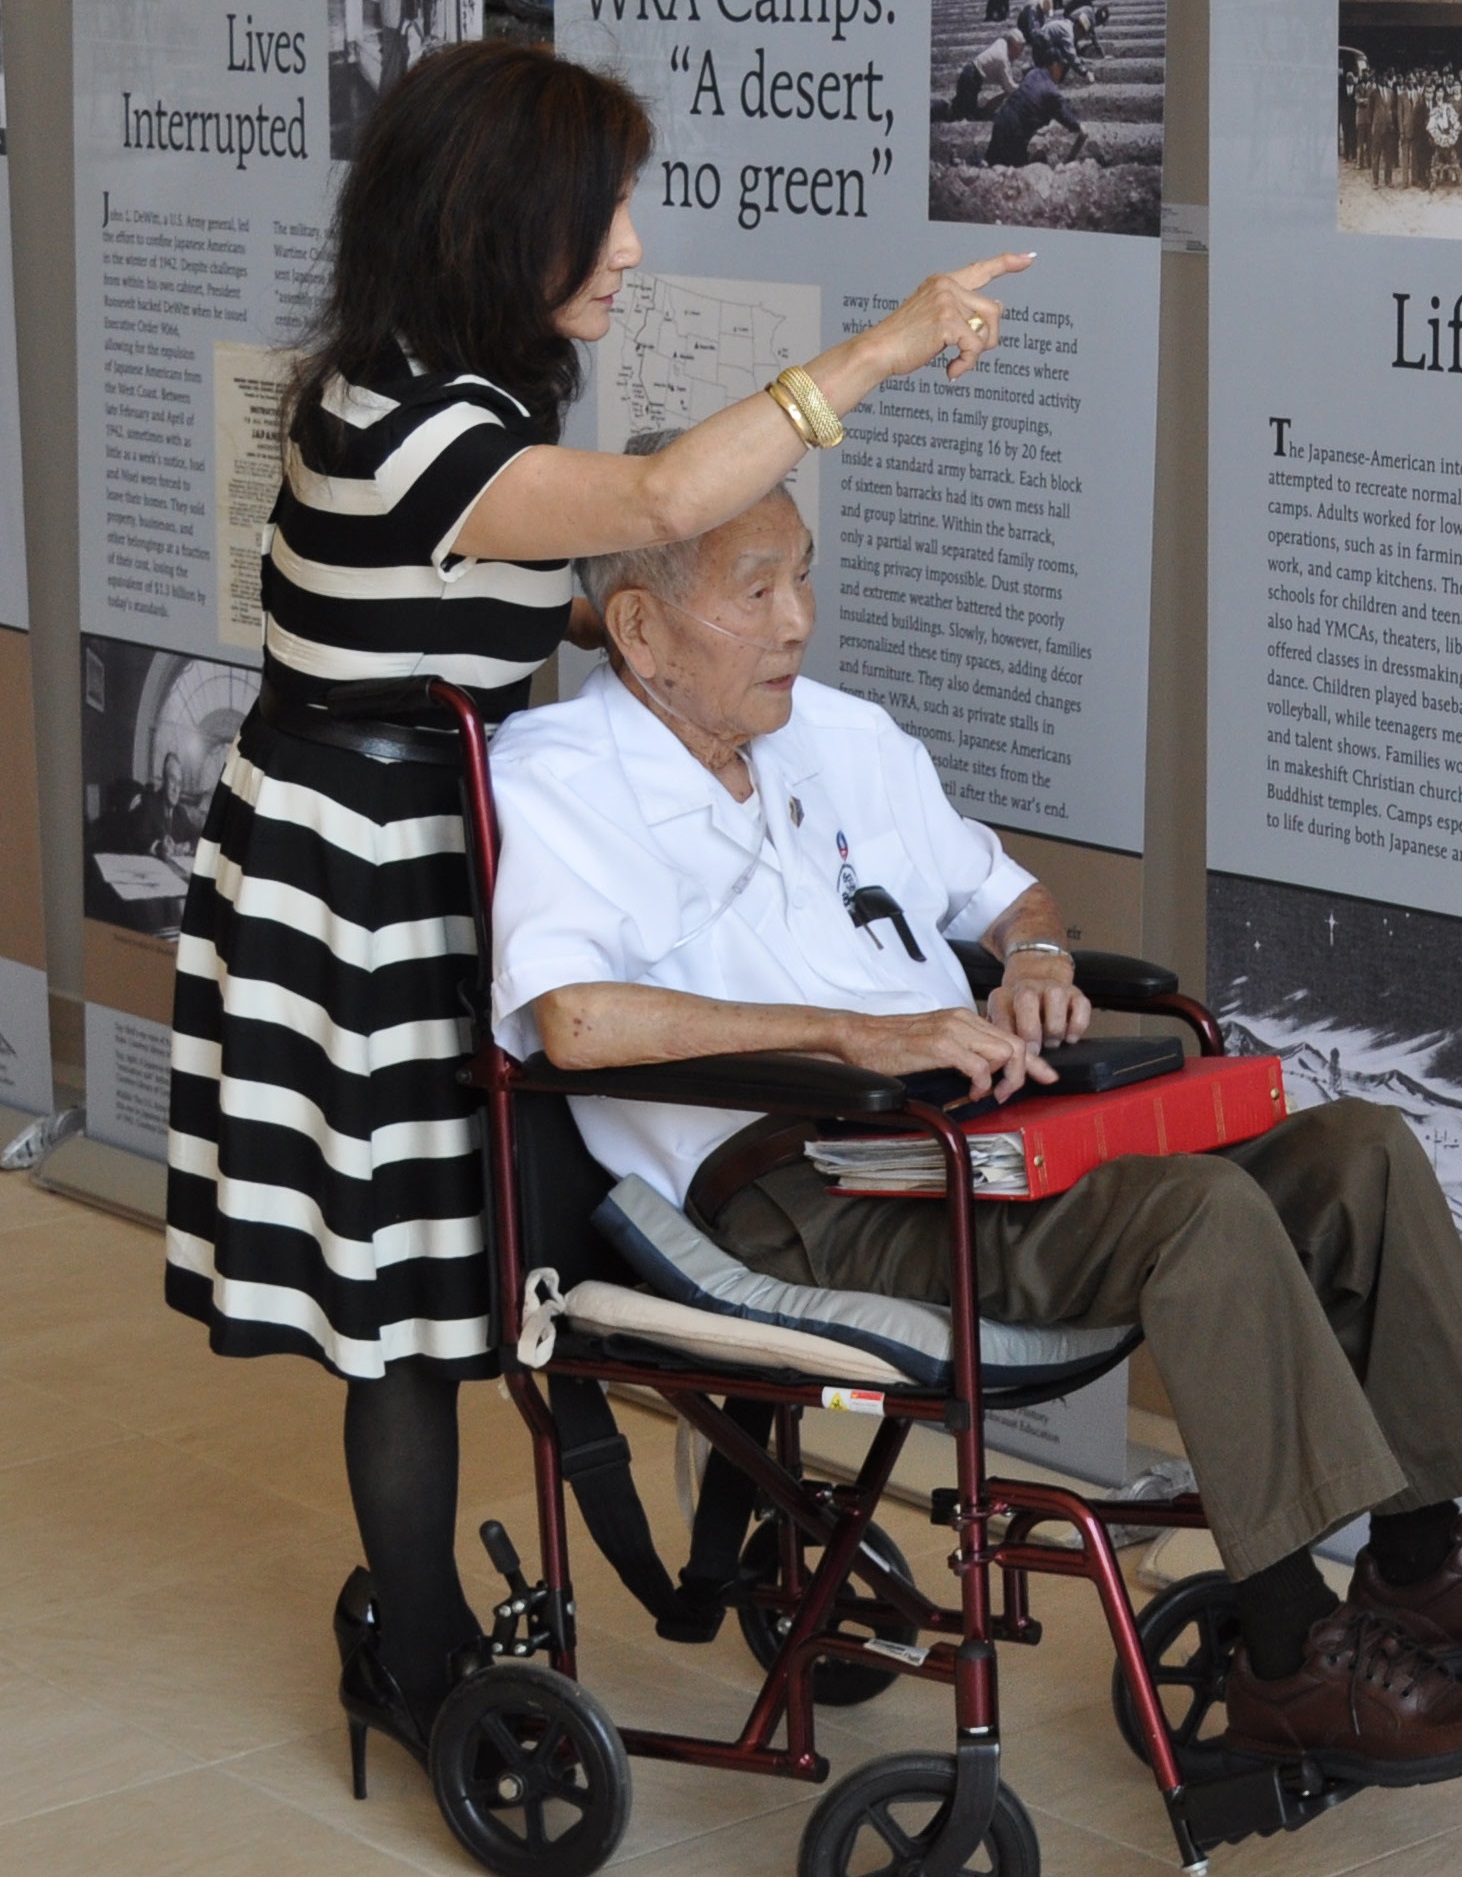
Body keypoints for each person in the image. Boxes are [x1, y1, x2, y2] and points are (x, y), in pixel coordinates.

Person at [488, 463, 1462, 1788]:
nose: (797, 620)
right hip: (803, 1178)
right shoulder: (555, 778)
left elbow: (1006, 889)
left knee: (1358, 1151)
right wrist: (858, 1034)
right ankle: (1289, 1663)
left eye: (802, 574)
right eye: (755, 591)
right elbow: (576, 1022)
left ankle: (1423, 1565)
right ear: (642, 630)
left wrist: (1037, 952)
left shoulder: (835, 733)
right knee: (1203, 1215)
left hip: (969, 1128)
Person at [162, 38, 1030, 1783]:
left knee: (514, 1245)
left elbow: (511, 598)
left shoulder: (455, 399)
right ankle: (410, 1662)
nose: (630, 245)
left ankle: (686, 1558)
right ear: (500, 223)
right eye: (604, 212)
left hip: (424, 836)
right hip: (360, 888)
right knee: (407, 1295)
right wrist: (881, 346)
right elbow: (640, 508)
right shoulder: (406, 424)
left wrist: (638, 629)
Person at [987, 51, 1087, 168]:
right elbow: (1063, 114)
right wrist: (1078, 126)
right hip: (1014, 132)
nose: (1062, 73)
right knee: (1015, 172)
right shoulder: (1051, 91)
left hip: (1001, 120)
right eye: (1062, 68)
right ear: (1054, 65)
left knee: (991, 164)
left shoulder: (1034, 73)